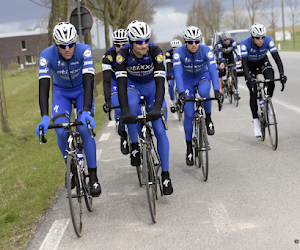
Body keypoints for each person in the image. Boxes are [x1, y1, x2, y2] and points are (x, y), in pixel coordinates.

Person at [35, 22, 101, 197]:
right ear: (56, 45)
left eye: (70, 45)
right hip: (61, 93)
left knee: (83, 128)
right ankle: (71, 166)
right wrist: (44, 117)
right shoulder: (46, 55)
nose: (67, 49)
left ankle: (93, 177)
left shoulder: (84, 50)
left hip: (82, 90)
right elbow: (43, 87)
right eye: (62, 46)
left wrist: (86, 110)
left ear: (75, 42)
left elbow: (89, 82)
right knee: (61, 131)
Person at [115, 20, 173, 195]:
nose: (144, 45)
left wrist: (156, 107)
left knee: (160, 130)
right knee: (131, 104)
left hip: (152, 89)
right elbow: (121, 85)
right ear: (131, 43)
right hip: (132, 87)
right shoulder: (123, 55)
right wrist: (124, 112)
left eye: (146, 40)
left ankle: (165, 174)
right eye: (139, 42)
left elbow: (161, 83)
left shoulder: (155, 52)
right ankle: (134, 144)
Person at [173, 26, 221, 166]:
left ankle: (209, 119)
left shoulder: (206, 51)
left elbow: (213, 72)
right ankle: (188, 148)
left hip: (202, 77)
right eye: (190, 42)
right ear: (185, 42)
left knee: (205, 92)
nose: (194, 45)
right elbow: (177, 74)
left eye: (196, 41)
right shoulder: (178, 52)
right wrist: (181, 92)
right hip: (186, 81)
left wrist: (217, 90)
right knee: (188, 114)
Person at [240, 23, 287, 137]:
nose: (260, 40)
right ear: (252, 37)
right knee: (253, 91)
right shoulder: (244, 44)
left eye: (262, 37)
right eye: (257, 38)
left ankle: (269, 100)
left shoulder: (268, 40)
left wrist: (282, 73)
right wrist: (248, 76)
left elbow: (276, 57)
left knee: (270, 80)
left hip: (262, 62)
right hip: (249, 65)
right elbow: (245, 62)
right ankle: (256, 123)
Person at [102, 29, 132, 155]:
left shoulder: (134, 52)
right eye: (117, 45)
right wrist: (108, 101)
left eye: (123, 44)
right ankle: (123, 133)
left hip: (130, 80)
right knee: (118, 107)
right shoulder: (108, 56)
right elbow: (107, 80)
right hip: (115, 82)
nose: (120, 48)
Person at [214, 31, 242, 99]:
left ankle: (236, 91)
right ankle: (224, 80)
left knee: (234, 73)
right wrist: (220, 62)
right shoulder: (219, 44)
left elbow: (236, 51)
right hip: (222, 56)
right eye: (225, 40)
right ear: (222, 40)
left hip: (230, 56)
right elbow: (219, 55)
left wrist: (240, 59)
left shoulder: (232, 42)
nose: (227, 41)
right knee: (222, 67)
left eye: (228, 39)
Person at [165, 39, 182, 113]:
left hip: (179, 69)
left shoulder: (183, 52)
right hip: (171, 70)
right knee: (171, 84)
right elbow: (168, 65)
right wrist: (169, 75)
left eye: (177, 48)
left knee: (180, 84)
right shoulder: (168, 53)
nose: (176, 50)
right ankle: (172, 102)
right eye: (174, 48)